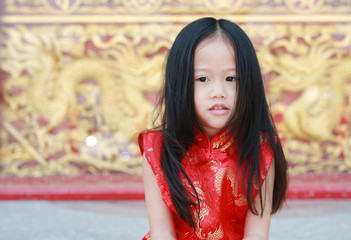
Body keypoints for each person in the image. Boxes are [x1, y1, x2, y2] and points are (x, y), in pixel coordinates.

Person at [138, 17, 288, 240]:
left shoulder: (261, 150)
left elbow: (256, 234)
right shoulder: (157, 149)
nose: (219, 91)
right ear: (180, 82)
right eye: (202, 78)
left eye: (231, 78)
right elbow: (162, 233)